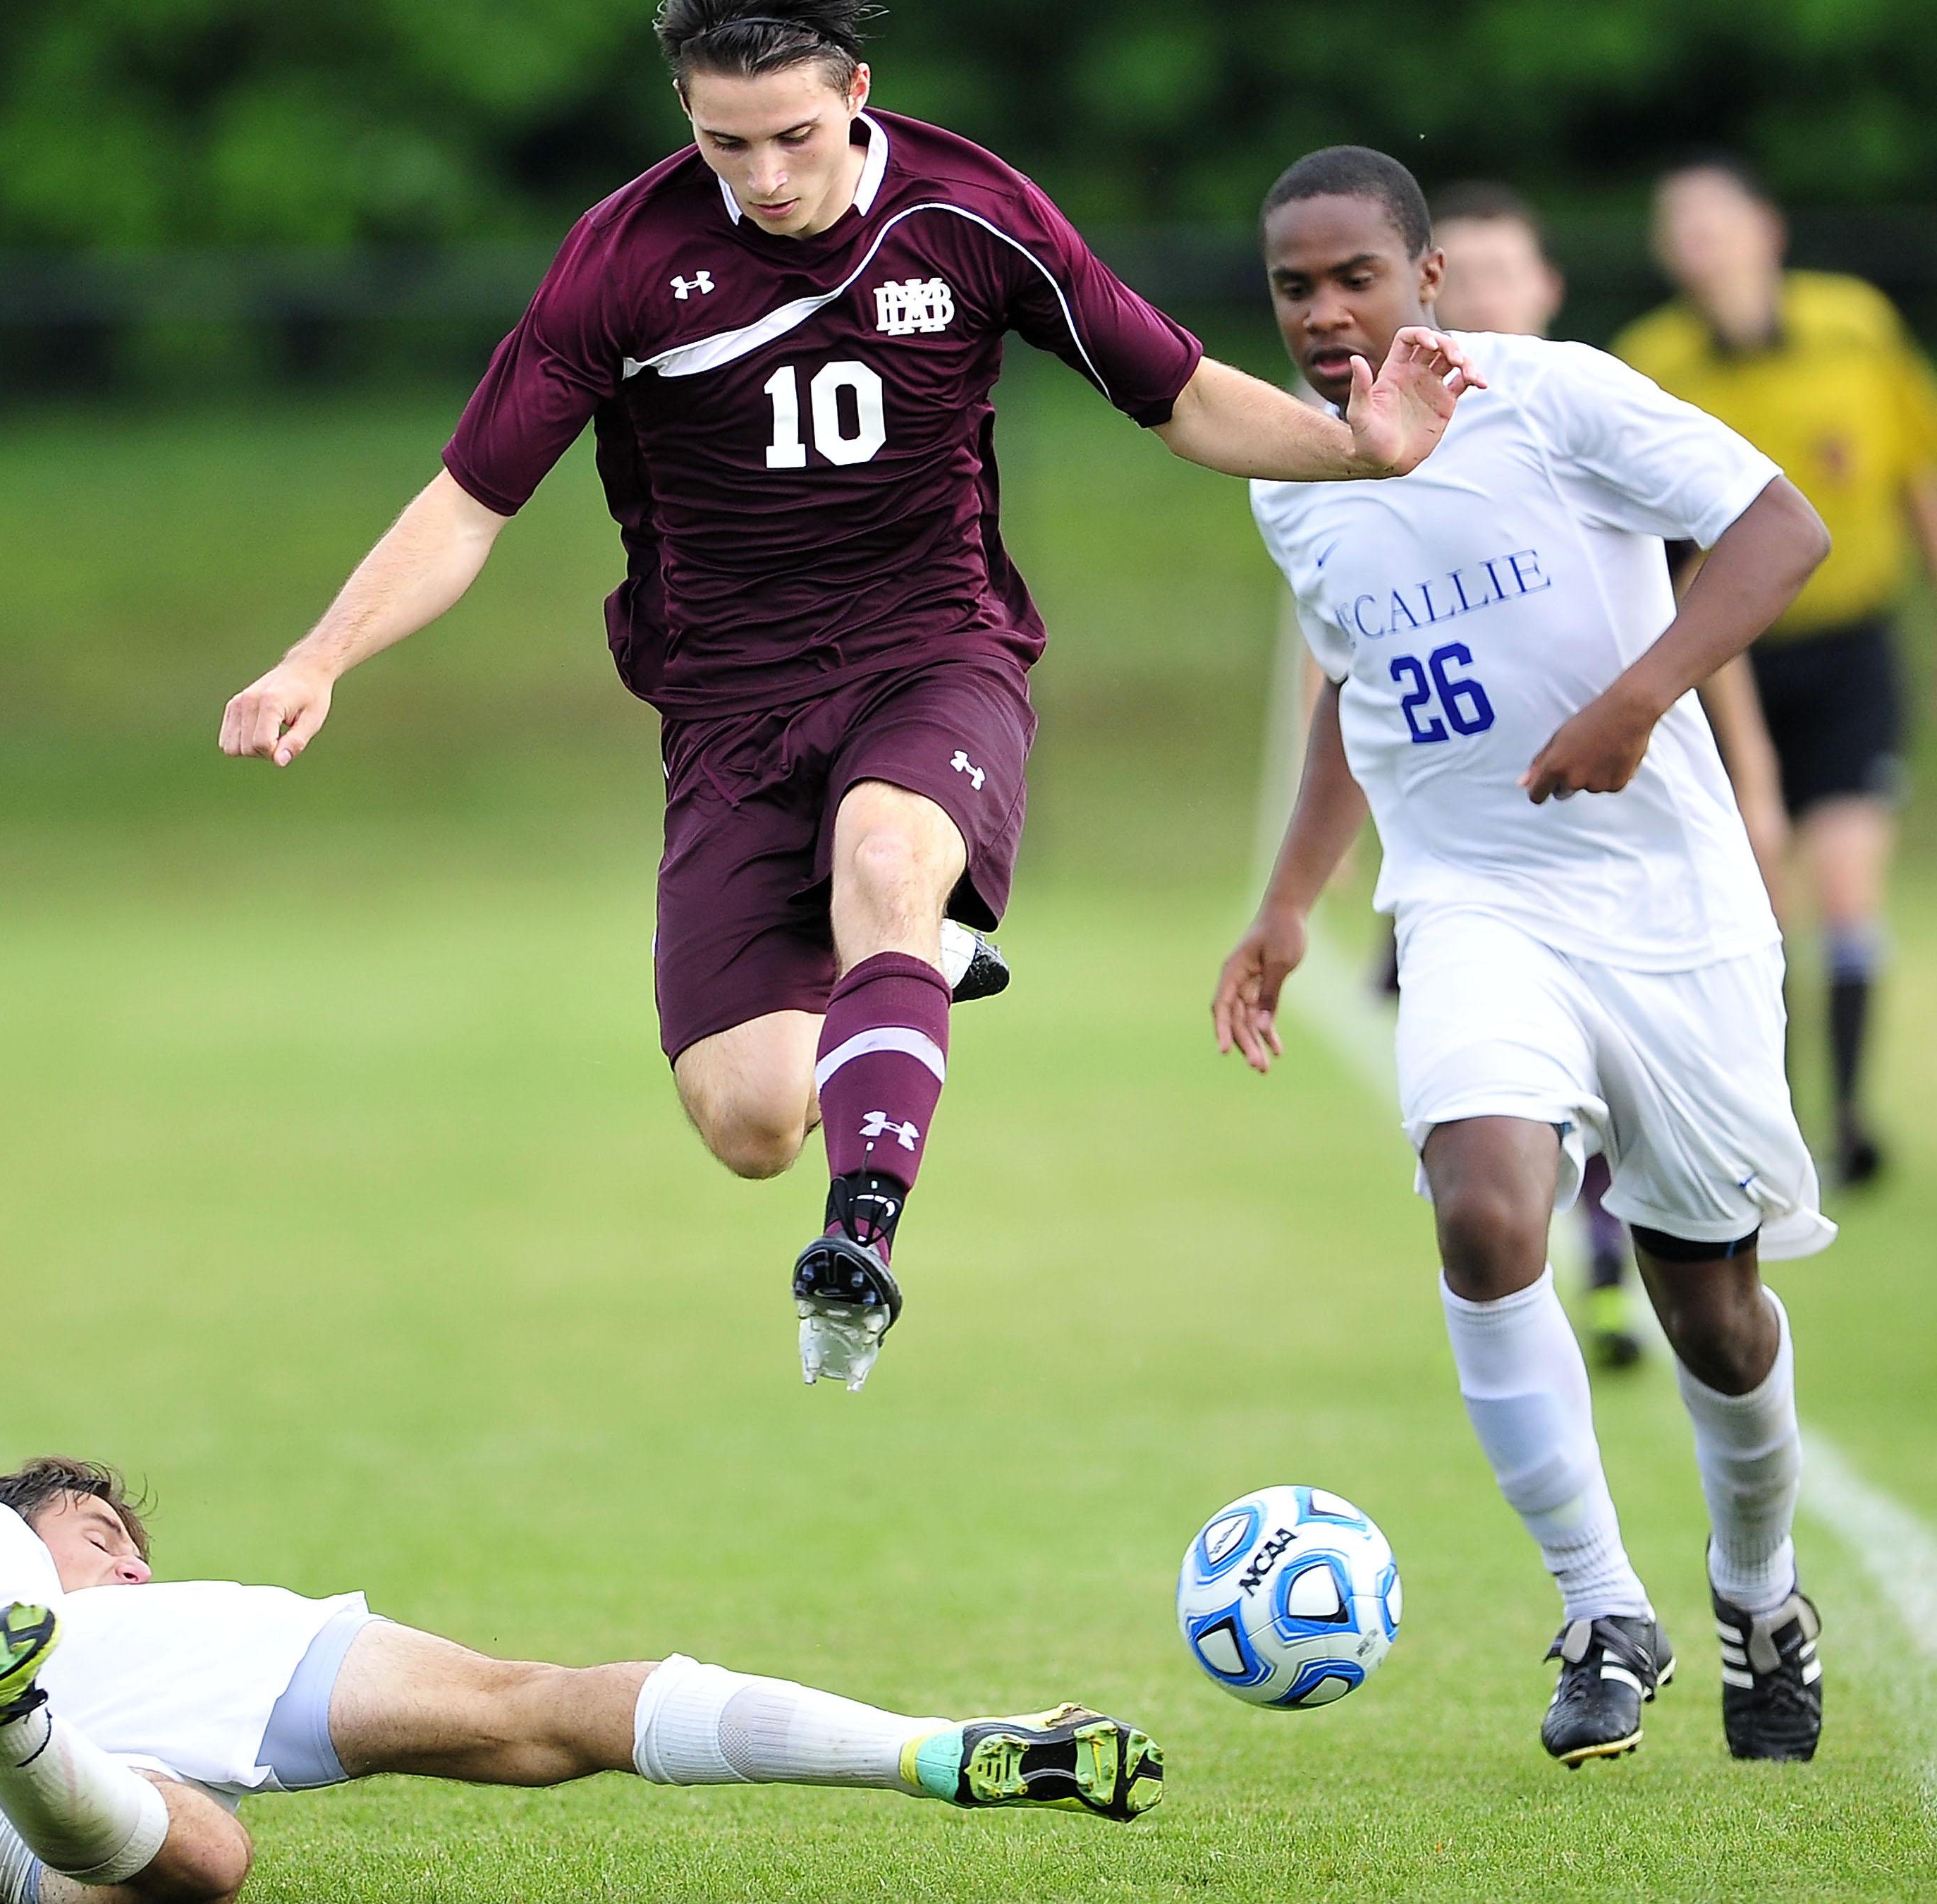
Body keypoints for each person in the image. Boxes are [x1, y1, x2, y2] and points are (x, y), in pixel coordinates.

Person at [214, 0, 1477, 1391]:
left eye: (794, 137)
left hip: (933, 653)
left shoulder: (971, 210)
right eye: (723, 143)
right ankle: (911, 961)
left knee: (886, 854)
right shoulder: (622, 261)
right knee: (752, 1119)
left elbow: (1175, 394)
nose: (761, 177)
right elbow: (470, 505)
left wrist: (1358, 454)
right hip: (728, 712)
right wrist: (317, 655)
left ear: (859, 93)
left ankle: (858, 1246)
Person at [1214, 147, 1835, 1769]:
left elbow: (1786, 528)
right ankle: (1600, 1606)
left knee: (1715, 1313)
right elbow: (1359, 690)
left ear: (1429, 278)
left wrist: (1642, 698)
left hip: (1670, 911)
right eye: (1296, 286)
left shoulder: (1557, 398)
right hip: (1472, 901)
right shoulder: (1295, 470)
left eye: (1357, 276)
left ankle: (1760, 1594)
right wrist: (1289, 904)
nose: (1327, 313)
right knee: (1488, 1215)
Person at [0, 1456, 1165, 1903]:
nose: (127, 1549)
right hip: (46, 1722)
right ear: (51, 1521)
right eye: (109, 1528)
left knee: (208, 1855)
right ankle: (936, 1750)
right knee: (539, 1705)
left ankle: (16, 1717)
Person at [1429, 178, 1794, 1371]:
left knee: (1716, 1302)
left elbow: (1706, 591)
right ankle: (1590, 1277)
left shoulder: (1587, 401)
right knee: (1499, 1142)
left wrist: (1734, 762)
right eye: (1460, 266)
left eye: (1502, 268)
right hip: (1479, 873)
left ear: (1545, 287)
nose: (1481, 290)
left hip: (1655, 881)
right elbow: (1352, 669)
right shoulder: (1370, 447)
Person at [1618, 154, 1937, 1188]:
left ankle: (1848, 1117)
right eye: (1680, 223)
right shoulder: (1652, 363)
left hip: (1849, 649)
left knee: (1849, 887)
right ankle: (1779, 1122)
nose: (1700, 238)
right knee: (1765, 895)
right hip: (1725, 658)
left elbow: (1916, 470)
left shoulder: (1855, 326)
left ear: (1769, 229)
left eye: (1719, 216)